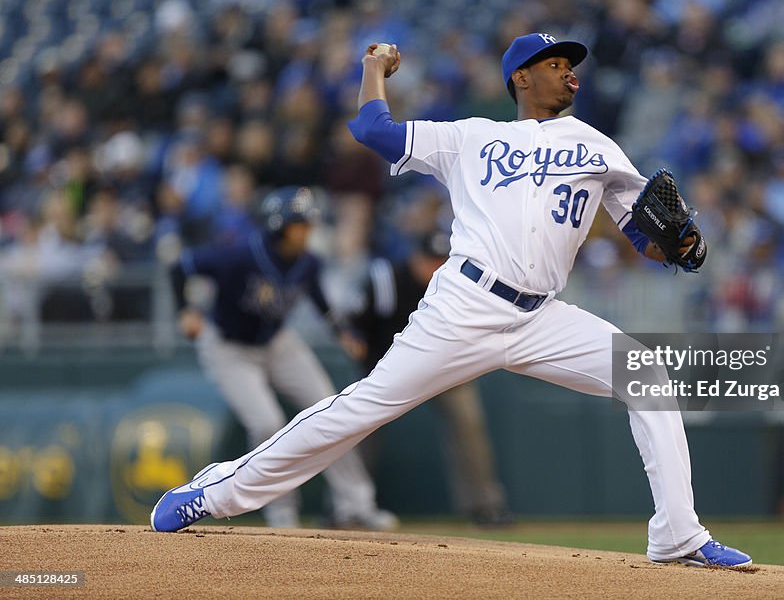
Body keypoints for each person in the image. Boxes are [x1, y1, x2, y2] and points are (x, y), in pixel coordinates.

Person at [151, 33, 752, 567]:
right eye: (556, 62)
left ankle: (677, 535)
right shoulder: (471, 137)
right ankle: (214, 493)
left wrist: (681, 246)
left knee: (646, 374)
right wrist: (373, 69)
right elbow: (370, 130)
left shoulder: (596, 146)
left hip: (542, 316)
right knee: (359, 410)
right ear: (520, 77)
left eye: (573, 64)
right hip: (464, 306)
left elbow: (642, 233)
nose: (571, 71)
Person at [168, 185, 397, 530]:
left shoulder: (308, 262)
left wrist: (344, 334)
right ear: (279, 225)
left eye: (308, 225)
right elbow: (180, 266)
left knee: (336, 413)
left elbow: (321, 302)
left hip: (278, 341)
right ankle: (281, 515)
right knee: (265, 422)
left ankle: (357, 505)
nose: (307, 231)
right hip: (229, 347)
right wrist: (184, 310)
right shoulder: (240, 255)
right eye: (299, 224)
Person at [345, 231, 513, 527]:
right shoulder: (388, 279)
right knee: (360, 425)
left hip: (445, 368)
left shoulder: (456, 283)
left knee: (469, 422)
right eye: (429, 259)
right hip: (392, 368)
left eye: (440, 260)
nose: (433, 267)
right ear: (415, 257)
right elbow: (356, 328)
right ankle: (348, 506)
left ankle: (485, 505)